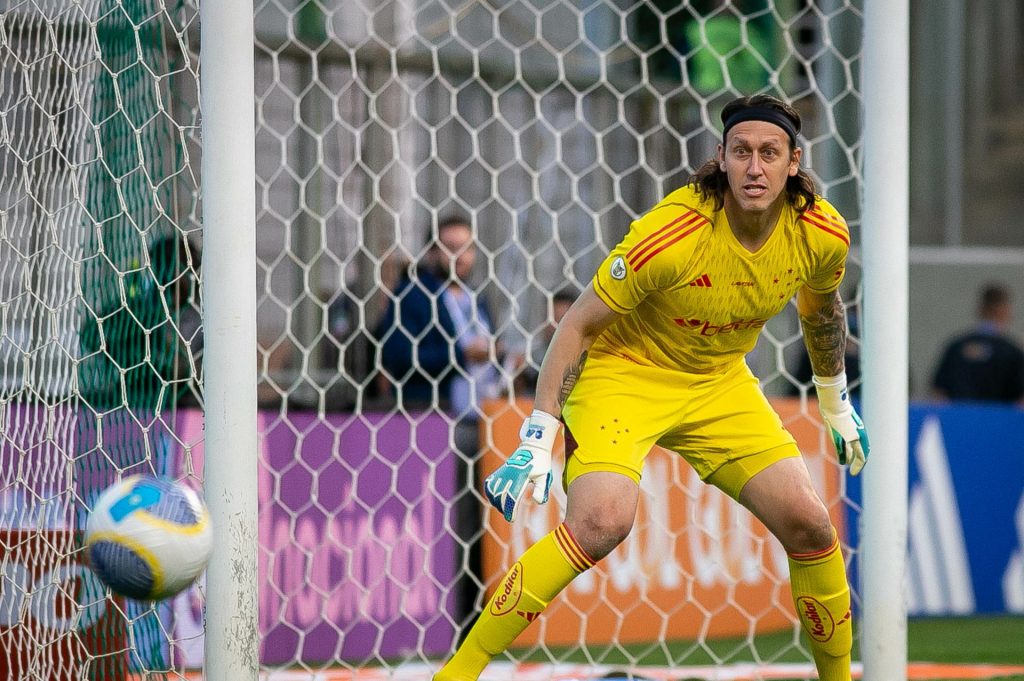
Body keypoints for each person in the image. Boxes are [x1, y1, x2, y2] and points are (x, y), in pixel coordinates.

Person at [433, 95, 869, 681]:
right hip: (625, 373)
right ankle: (456, 674)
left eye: (770, 153)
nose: (755, 167)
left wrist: (835, 403)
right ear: (721, 157)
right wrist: (537, 437)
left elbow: (821, 312)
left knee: (811, 525)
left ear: (794, 162)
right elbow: (577, 325)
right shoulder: (672, 233)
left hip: (718, 382)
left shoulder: (821, 234)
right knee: (601, 522)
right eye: (742, 152)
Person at [930, 283, 1024, 405]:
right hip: (999, 421)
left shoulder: (956, 347)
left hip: (959, 419)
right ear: (1004, 311)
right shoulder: (1011, 352)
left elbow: (938, 392)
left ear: (980, 309)